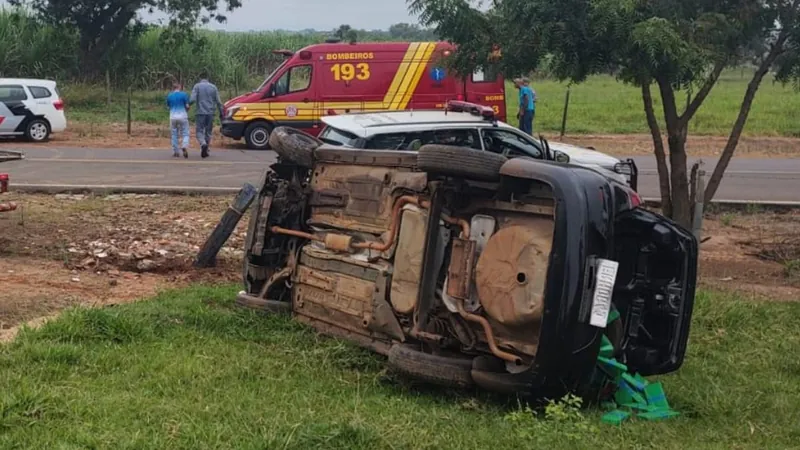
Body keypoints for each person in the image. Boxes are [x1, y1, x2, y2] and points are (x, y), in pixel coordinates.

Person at [190, 72, 224, 158]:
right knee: (208, 132)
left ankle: (203, 144)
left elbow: (192, 99)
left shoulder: (197, 86)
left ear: (200, 78)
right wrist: (221, 113)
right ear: (208, 78)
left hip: (200, 112)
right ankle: (206, 149)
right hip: (210, 113)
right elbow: (219, 102)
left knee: (199, 131)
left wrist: (187, 105)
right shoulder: (213, 87)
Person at [166, 82, 190, 158]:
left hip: (173, 117)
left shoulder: (169, 96)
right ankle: (184, 145)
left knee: (174, 134)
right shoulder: (184, 95)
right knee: (185, 133)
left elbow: (168, 107)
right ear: (179, 87)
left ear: (173, 88)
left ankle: (176, 152)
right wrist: (187, 110)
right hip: (183, 116)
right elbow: (187, 106)